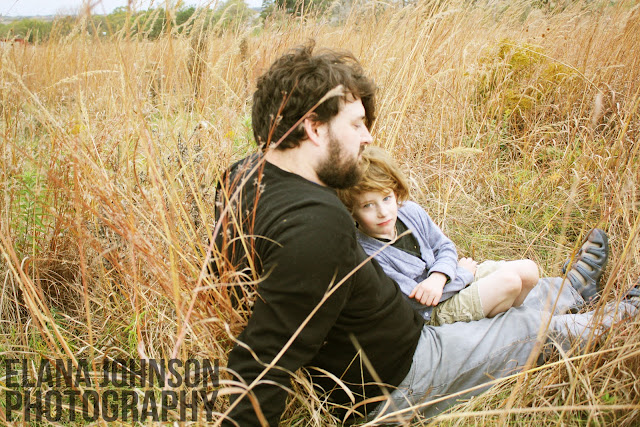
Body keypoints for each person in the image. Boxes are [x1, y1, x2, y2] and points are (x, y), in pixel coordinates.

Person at [211, 44, 635, 426]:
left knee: (505, 295)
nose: (367, 137)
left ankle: (571, 288)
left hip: (401, 333)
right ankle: (626, 317)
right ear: (314, 128)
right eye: (356, 124)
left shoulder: (241, 177)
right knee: (527, 327)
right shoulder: (317, 224)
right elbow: (263, 361)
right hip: (401, 374)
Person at [337, 146, 540, 325]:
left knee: (529, 271)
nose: (383, 212)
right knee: (510, 283)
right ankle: (499, 329)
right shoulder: (366, 253)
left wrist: (439, 276)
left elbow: (444, 247)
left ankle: (507, 320)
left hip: (449, 278)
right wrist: (463, 275)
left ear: (396, 192)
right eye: (368, 205)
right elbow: (415, 299)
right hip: (435, 310)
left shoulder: (409, 211)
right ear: (351, 210)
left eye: (386, 198)